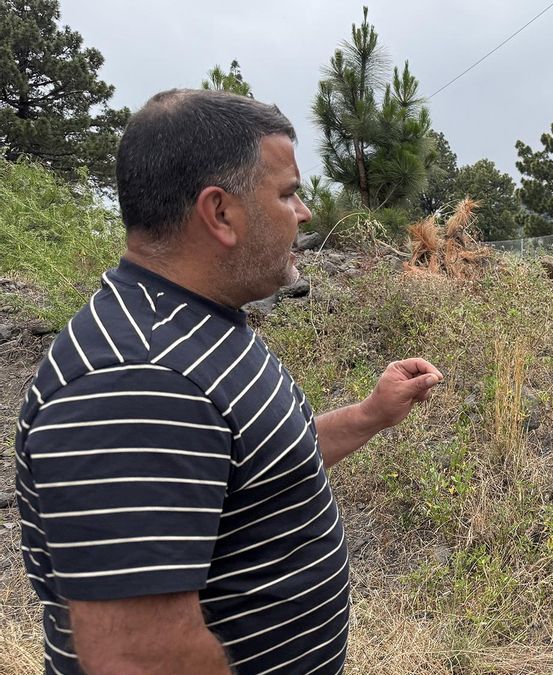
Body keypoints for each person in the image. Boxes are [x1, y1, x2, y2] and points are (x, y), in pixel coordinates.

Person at [14, 89, 443, 674]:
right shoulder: (138, 379)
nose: (305, 212)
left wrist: (370, 414)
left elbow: (251, 465)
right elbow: (140, 657)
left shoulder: (195, 327)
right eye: (288, 193)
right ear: (219, 212)